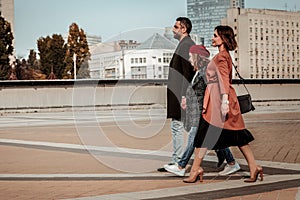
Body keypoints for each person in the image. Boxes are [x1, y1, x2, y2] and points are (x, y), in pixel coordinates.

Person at [183, 25, 263, 183]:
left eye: (215, 36)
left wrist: (224, 102)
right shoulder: (224, 55)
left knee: (204, 136)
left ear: (223, 39)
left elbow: (224, 80)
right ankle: (254, 167)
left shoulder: (221, 57)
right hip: (217, 100)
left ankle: (195, 169)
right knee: (237, 137)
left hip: (219, 102)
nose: (212, 38)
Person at [164, 45, 240, 177]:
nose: (189, 58)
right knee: (214, 139)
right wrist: (186, 99)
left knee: (193, 139)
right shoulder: (199, 71)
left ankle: (181, 165)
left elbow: (211, 90)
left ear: (196, 56)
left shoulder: (205, 71)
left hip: (202, 111)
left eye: (190, 55)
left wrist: (213, 106)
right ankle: (232, 162)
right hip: (198, 110)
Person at [157, 17, 196, 172]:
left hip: (181, 95)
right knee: (191, 127)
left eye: (176, 26)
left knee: (180, 127)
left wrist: (184, 97)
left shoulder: (186, 45)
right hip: (180, 95)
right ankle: (176, 160)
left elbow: (187, 73)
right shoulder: (183, 45)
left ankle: (178, 161)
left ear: (183, 29)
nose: (173, 29)